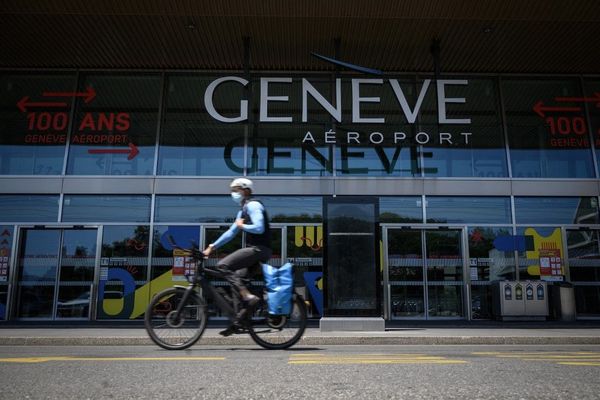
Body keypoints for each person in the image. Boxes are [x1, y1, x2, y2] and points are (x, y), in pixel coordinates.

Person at [202, 178, 272, 336]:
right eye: (232, 190)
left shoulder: (253, 205)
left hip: (259, 249)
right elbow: (231, 233)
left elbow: (259, 228)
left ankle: (247, 296)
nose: (233, 193)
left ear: (246, 190)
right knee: (238, 280)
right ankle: (239, 320)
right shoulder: (243, 210)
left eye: (236, 190)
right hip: (257, 250)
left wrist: (242, 226)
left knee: (223, 266)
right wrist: (211, 247)